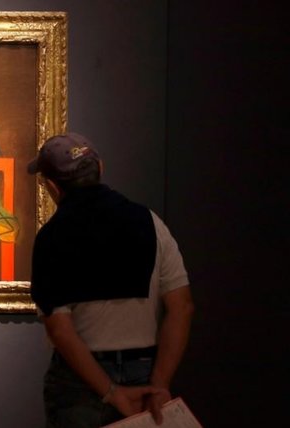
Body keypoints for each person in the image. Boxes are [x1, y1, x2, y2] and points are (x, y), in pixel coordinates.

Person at [27, 133, 194, 428]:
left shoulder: (51, 237)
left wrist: (111, 392)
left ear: (51, 186)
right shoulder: (150, 222)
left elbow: (60, 330)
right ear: (100, 168)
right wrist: (159, 384)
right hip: (145, 373)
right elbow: (182, 307)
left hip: (80, 383)